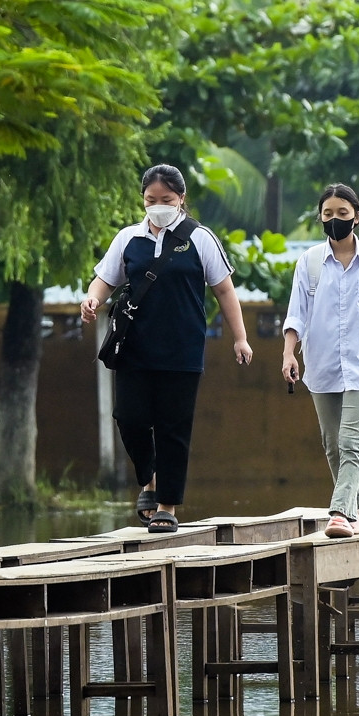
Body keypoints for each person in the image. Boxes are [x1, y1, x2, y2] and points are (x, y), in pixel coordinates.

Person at [80, 165, 253, 533]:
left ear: (181, 200)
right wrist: (92, 300)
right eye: (150, 200)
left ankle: (167, 506)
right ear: (142, 200)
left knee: (174, 428)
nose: (158, 206)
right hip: (134, 348)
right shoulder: (129, 238)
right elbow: (105, 280)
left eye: (166, 200)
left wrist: (240, 337)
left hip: (182, 350)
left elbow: (224, 290)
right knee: (129, 418)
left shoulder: (200, 238)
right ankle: (150, 477)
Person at [278, 184, 359, 537]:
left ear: (356, 216)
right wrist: (289, 353)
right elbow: (297, 316)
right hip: (321, 365)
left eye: (341, 213)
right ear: (320, 218)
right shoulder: (308, 262)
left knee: (351, 441)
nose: (334, 220)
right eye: (327, 214)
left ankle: (340, 513)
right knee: (331, 443)